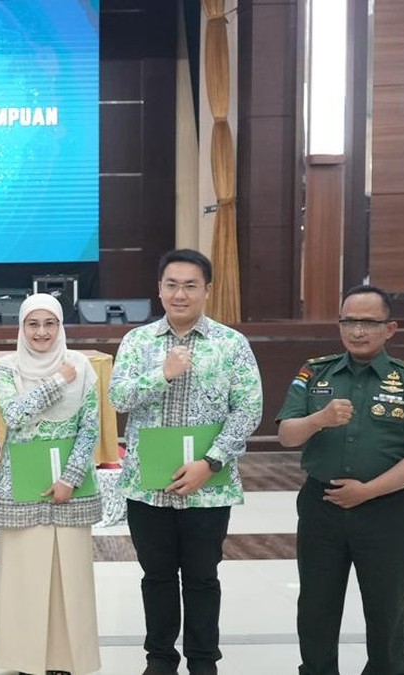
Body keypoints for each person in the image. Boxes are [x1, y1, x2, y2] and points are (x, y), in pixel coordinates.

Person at [276, 285, 404, 675]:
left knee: (386, 609)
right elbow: (287, 435)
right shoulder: (315, 372)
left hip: (386, 509)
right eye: (350, 321)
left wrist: (367, 492)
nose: (358, 331)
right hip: (321, 507)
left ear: (390, 328)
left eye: (369, 323)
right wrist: (319, 419)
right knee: (316, 608)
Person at [109, 249, 263, 675]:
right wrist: (163, 373)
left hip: (208, 485)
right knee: (156, 576)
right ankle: (160, 658)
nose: (180, 294)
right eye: (172, 285)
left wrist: (210, 462)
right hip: (148, 485)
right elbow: (118, 398)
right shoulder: (137, 342)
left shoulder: (231, 344)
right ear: (159, 290)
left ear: (207, 290)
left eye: (190, 285)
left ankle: (203, 660)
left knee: (202, 577)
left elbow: (249, 409)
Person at [0, 293, 102, 675]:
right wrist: (57, 381)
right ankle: (23, 660)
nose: (42, 332)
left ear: (61, 326)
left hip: (71, 488)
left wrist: (70, 478)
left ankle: (64, 659)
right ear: (21, 328)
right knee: (25, 576)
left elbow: (90, 428)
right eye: (33, 324)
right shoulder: (8, 367)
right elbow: (14, 415)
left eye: (50, 323)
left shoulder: (82, 366)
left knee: (69, 576)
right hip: (22, 485)